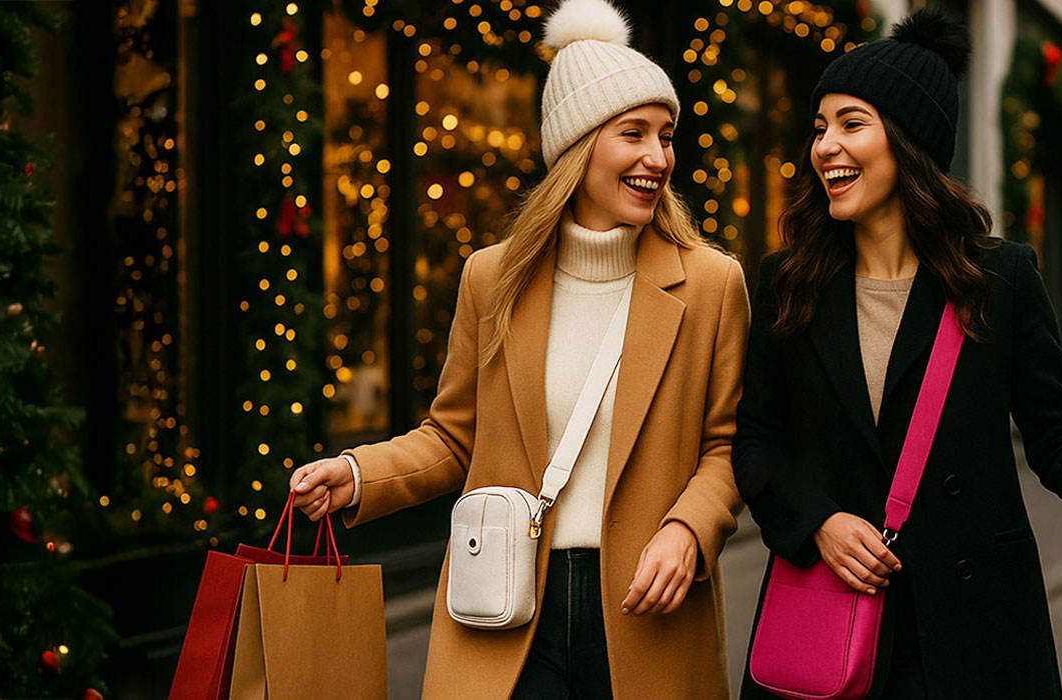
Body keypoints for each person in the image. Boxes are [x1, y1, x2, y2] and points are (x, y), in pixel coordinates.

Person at [287, 1, 747, 696]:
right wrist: (357, 473)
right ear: (578, 145)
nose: (659, 157)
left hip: (647, 613)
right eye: (634, 134)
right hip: (501, 608)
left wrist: (689, 528)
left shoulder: (712, 284)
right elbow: (453, 437)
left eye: (666, 135)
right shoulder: (492, 278)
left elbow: (729, 445)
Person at [734, 10, 1062, 699]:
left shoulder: (999, 279)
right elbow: (759, 443)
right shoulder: (788, 281)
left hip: (976, 627)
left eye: (850, 123)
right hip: (833, 618)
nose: (824, 146)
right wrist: (818, 522)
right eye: (819, 126)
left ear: (909, 140)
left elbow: (1058, 431)